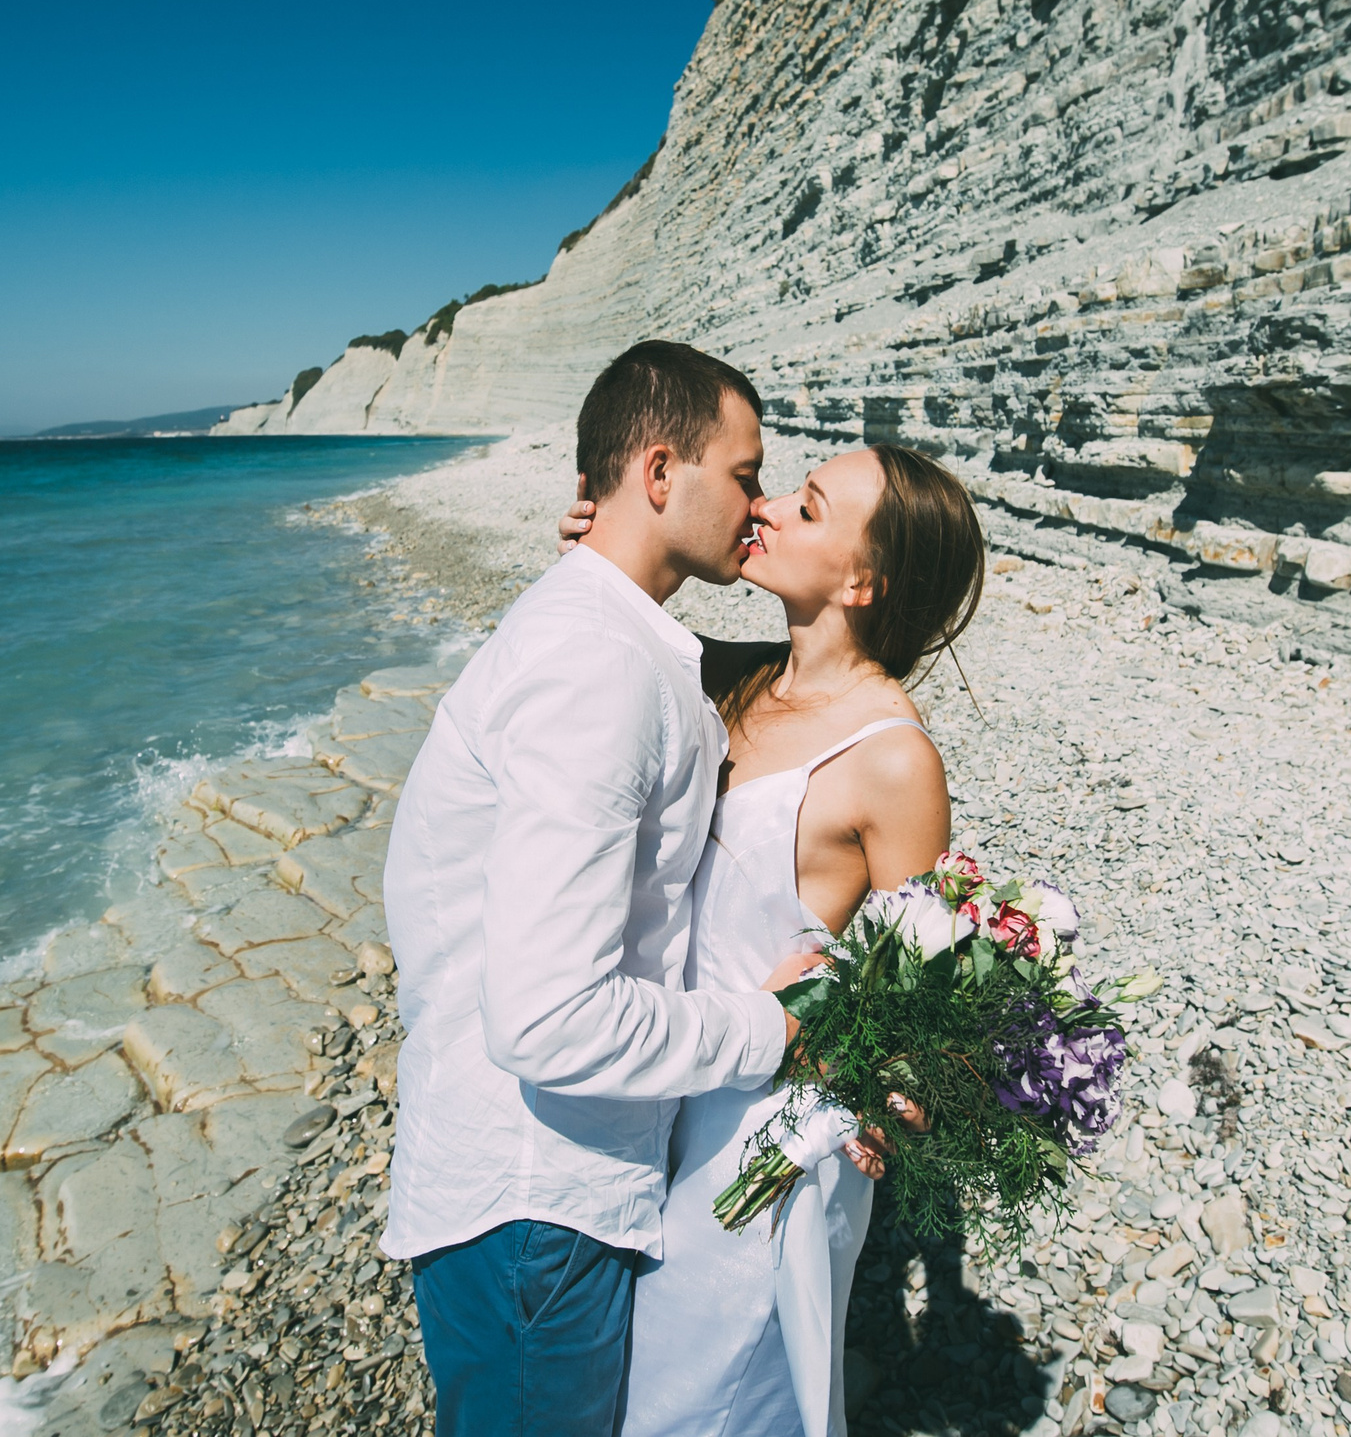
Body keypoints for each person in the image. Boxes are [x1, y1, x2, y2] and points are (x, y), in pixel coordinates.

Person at [381, 340, 826, 1437]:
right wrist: (770, 1029)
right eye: (745, 471)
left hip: (541, 1188)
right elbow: (548, 1013)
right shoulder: (596, 664)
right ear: (661, 473)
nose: (759, 503)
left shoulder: (614, 638)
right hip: (538, 1198)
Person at [560, 442, 988, 1437]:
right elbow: (615, 641)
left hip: (771, 1138)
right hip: (670, 1073)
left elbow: (928, 992)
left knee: (696, 1394)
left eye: (809, 505)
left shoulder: (892, 757)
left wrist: (901, 1095)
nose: (769, 506)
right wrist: (597, 550)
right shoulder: (737, 677)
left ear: (861, 578)